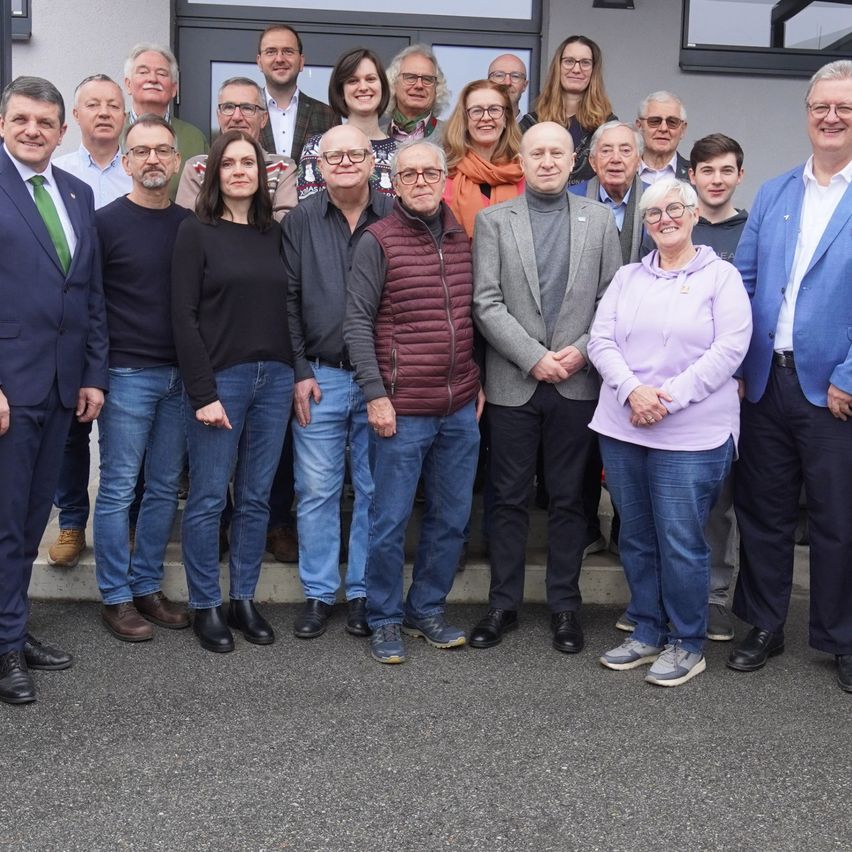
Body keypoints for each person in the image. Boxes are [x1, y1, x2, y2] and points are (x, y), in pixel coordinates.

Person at [590, 177, 751, 687]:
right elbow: (599, 340)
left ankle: (688, 642)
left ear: (694, 213)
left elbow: (730, 349)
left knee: (681, 540)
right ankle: (646, 628)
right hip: (624, 424)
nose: (664, 219)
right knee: (636, 536)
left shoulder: (721, 277)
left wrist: (667, 398)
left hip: (692, 433)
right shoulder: (627, 278)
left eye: (675, 209)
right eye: (654, 213)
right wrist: (633, 390)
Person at [469, 122, 621, 653]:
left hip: (577, 383)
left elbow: (611, 301)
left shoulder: (600, 220)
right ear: (524, 159)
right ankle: (502, 604)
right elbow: (485, 302)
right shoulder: (493, 221)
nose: (548, 161)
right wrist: (534, 358)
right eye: (538, 153)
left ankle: (564, 607)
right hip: (515, 382)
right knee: (507, 499)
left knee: (567, 502)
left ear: (574, 159)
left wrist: (578, 351)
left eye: (558, 152)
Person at [728, 60, 852, 694]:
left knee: (838, 518)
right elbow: (742, 284)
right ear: (806, 114)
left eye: (844, 107)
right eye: (820, 106)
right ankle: (764, 624)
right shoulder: (776, 193)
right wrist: (735, 366)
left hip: (836, 389)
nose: (831, 117)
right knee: (763, 511)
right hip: (765, 382)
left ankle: (843, 637)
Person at [344, 139, 483, 664]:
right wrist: (376, 396)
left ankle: (426, 609)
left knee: (451, 518)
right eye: (410, 174)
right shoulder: (376, 241)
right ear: (394, 182)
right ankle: (383, 617)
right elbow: (356, 323)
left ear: (444, 178)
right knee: (390, 519)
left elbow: (474, 315)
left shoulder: (463, 236)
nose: (421, 181)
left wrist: (479, 380)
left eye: (430, 173)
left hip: (458, 408)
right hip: (401, 410)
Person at [0, 76, 108, 704]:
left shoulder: (76, 191)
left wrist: (92, 373)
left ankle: (12, 625)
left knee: (34, 514)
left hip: (63, 384)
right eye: (22, 120)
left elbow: (88, 293)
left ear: (61, 131)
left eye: (45, 122)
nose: (34, 130)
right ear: (4, 124)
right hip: (11, 389)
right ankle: (6, 643)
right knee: (6, 519)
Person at [171, 130, 294, 653]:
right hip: (222, 380)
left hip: (276, 379)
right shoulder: (195, 232)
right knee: (205, 499)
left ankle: (243, 597)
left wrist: (297, 372)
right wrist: (203, 393)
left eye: (250, 162)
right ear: (213, 173)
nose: (240, 171)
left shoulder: (275, 233)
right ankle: (205, 604)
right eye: (230, 163)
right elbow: (183, 317)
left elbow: (290, 306)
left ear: (263, 174)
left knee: (255, 497)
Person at [287, 125, 394, 639]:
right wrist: (299, 371)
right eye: (335, 156)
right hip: (321, 378)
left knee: (375, 490)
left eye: (356, 154)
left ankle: (363, 593)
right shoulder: (301, 219)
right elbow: (285, 300)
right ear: (319, 165)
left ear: (373, 162)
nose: (346, 162)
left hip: (382, 383)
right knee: (315, 491)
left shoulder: (397, 217)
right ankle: (318, 592)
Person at [93, 116, 192, 642]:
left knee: (161, 490)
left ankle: (147, 586)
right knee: (117, 488)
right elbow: (90, 305)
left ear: (176, 161)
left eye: (162, 151)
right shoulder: (104, 223)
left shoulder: (190, 225)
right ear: (126, 161)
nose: (152, 159)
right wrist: (97, 375)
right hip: (127, 374)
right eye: (141, 151)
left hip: (181, 378)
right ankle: (115, 597)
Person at [47, 74, 132, 570]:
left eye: (113, 105)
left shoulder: (143, 170)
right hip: (74, 323)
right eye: (92, 105)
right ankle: (72, 521)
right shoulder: (54, 174)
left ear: (126, 116)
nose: (103, 112)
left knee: (126, 433)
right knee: (72, 429)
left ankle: (129, 523)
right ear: (73, 118)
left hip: (129, 322)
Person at [572, 119, 646, 561]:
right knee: (582, 443)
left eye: (625, 151)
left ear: (639, 160)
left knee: (631, 441)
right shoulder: (573, 201)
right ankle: (584, 528)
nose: (616, 158)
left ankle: (624, 531)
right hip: (583, 341)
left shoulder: (654, 205)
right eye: (607, 151)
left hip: (638, 348)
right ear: (593, 160)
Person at [176, 77, 297, 220]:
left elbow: (286, 226)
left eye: (247, 108)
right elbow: (188, 225)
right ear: (218, 116)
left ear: (263, 119)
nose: (237, 117)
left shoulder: (283, 168)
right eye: (228, 107)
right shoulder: (197, 167)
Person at [298, 47, 396, 198]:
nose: (363, 87)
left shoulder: (401, 153)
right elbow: (309, 213)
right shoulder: (317, 147)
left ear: (382, 86)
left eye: (370, 79)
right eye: (353, 81)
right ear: (341, 92)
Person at [519, 35, 614, 186]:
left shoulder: (608, 127)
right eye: (569, 61)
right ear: (558, 66)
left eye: (585, 63)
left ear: (593, 70)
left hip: (589, 206)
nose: (576, 69)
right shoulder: (530, 124)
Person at [442, 79, 524, 239]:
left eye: (494, 109)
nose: (486, 117)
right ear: (464, 120)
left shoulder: (525, 174)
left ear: (506, 118)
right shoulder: (444, 176)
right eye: (477, 111)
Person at [123, 43, 208, 198]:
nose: (153, 79)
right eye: (143, 72)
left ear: (174, 88)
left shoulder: (194, 138)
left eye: (162, 74)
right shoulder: (113, 131)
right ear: (128, 84)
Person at [256, 23, 339, 163]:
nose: (280, 59)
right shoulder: (243, 113)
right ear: (259, 62)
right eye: (271, 51)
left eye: (288, 51)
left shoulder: (328, 115)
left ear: (301, 61)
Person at [383, 45, 449, 144]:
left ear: (436, 89)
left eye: (427, 79)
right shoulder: (375, 139)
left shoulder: (452, 137)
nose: (419, 85)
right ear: (393, 84)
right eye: (410, 77)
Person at [635, 91, 689, 185]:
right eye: (655, 121)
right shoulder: (623, 172)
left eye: (672, 122)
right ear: (639, 126)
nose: (663, 129)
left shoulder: (695, 175)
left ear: (682, 130)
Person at [487, 54, 529, 119]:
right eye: (499, 75)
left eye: (515, 76)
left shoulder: (538, 128)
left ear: (524, 86)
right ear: (488, 83)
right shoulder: (472, 127)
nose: (507, 82)